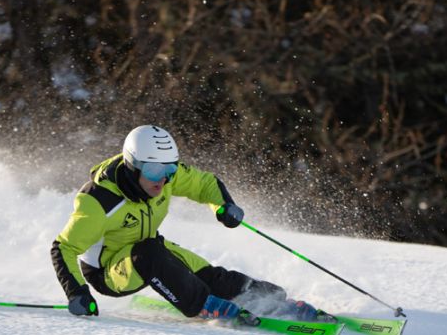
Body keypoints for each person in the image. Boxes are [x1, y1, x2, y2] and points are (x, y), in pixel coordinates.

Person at [51, 125, 323, 322]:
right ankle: (202, 304)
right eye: (155, 171)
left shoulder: (164, 177)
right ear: (132, 166)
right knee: (150, 253)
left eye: (170, 170)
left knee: (211, 276)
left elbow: (204, 183)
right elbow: (63, 248)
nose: (163, 179)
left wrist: (223, 205)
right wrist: (77, 293)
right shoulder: (99, 201)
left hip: (149, 249)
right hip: (108, 272)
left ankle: (271, 301)